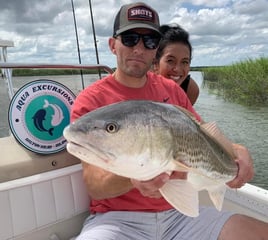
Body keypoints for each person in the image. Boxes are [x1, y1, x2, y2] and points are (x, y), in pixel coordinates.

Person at [71, 2, 267, 239]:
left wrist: (239, 151)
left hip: (179, 216)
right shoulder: (91, 100)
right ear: (113, 45)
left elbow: (202, 135)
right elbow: (95, 185)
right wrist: (135, 178)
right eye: (130, 38)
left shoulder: (171, 91)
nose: (139, 48)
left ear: (155, 50)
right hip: (117, 220)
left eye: (150, 42)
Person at [153, 23, 199, 105]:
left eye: (184, 62)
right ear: (156, 63)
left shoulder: (190, 89)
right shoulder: (139, 83)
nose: (177, 69)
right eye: (170, 61)